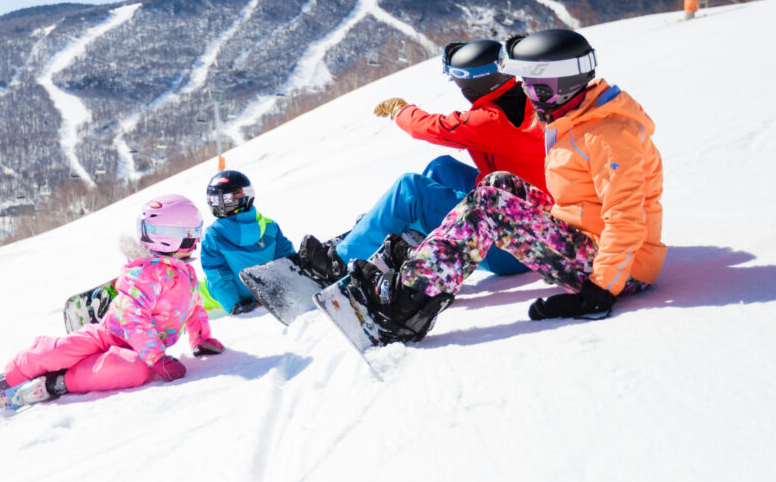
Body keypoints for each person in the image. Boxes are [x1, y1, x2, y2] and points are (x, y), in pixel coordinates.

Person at [347, 28, 665, 342]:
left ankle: (405, 305)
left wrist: (600, 290)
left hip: (621, 271)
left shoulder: (609, 136)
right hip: (588, 241)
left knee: (490, 207)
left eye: (536, 88)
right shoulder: (577, 116)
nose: (528, 96)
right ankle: (427, 265)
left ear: (563, 86)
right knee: (497, 184)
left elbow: (626, 217)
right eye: (525, 86)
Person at [295, 38, 546, 284]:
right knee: (441, 167)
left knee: (411, 190)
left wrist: (399, 110)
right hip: (528, 225)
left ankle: (337, 264)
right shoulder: (526, 99)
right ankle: (394, 232)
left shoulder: (489, 120)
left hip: (510, 251)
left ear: (468, 86)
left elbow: (431, 128)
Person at [0, 194, 226, 409]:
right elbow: (132, 318)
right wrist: (157, 357)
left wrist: (201, 339)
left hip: (140, 352)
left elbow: (194, 309)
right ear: (172, 238)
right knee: (63, 350)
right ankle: (12, 376)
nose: (197, 241)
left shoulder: (186, 274)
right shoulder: (143, 274)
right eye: (193, 234)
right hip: (108, 335)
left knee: (134, 371)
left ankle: (59, 383)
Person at [200, 169, 297, 315]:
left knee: (196, 287)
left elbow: (218, 275)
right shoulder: (270, 226)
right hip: (267, 290)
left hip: (238, 298)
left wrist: (234, 306)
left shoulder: (213, 235)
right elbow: (287, 259)